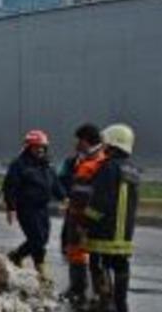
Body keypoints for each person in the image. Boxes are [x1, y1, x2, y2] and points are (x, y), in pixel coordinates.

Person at [85, 124, 139, 312]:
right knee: (121, 266)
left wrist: (87, 222)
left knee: (97, 264)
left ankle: (105, 303)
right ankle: (121, 304)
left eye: (105, 143)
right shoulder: (132, 169)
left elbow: (100, 201)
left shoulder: (108, 167)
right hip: (124, 234)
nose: (103, 146)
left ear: (113, 144)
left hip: (104, 233)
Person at [2, 130, 64, 285]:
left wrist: (64, 197)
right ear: (29, 147)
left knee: (43, 238)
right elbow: (10, 187)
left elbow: (55, 184)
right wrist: (11, 208)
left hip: (43, 208)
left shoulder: (47, 164)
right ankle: (39, 269)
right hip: (26, 208)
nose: (40, 150)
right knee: (36, 238)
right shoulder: (19, 164)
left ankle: (17, 256)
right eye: (37, 147)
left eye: (43, 147)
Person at [59, 123, 106, 306]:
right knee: (74, 251)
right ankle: (78, 288)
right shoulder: (82, 160)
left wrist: (84, 218)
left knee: (93, 254)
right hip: (76, 213)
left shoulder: (99, 162)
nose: (76, 144)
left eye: (78, 140)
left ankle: (95, 293)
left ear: (86, 140)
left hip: (86, 216)